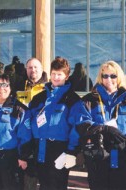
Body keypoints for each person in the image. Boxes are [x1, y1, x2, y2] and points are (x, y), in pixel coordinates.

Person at [80, 60, 126, 190]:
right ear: (100, 77)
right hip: (97, 155)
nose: (108, 79)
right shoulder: (89, 100)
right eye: (105, 76)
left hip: (122, 154)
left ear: (119, 77)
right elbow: (82, 123)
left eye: (113, 76)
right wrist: (104, 129)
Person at [29, 57, 92, 190]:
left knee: (57, 185)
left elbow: (79, 126)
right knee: (43, 185)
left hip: (59, 150)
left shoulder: (72, 100)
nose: (56, 77)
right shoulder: (39, 98)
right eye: (53, 74)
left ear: (67, 76)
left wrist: (71, 151)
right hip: (39, 148)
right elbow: (28, 123)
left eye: (60, 74)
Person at [16, 58, 48, 190]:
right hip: (24, 141)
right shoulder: (18, 87)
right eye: (30, 67)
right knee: (26, 183)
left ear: (41, 70)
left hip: (42, 140)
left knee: (46, 183)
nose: (33, 70)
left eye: (36, 67)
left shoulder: (48, 88)